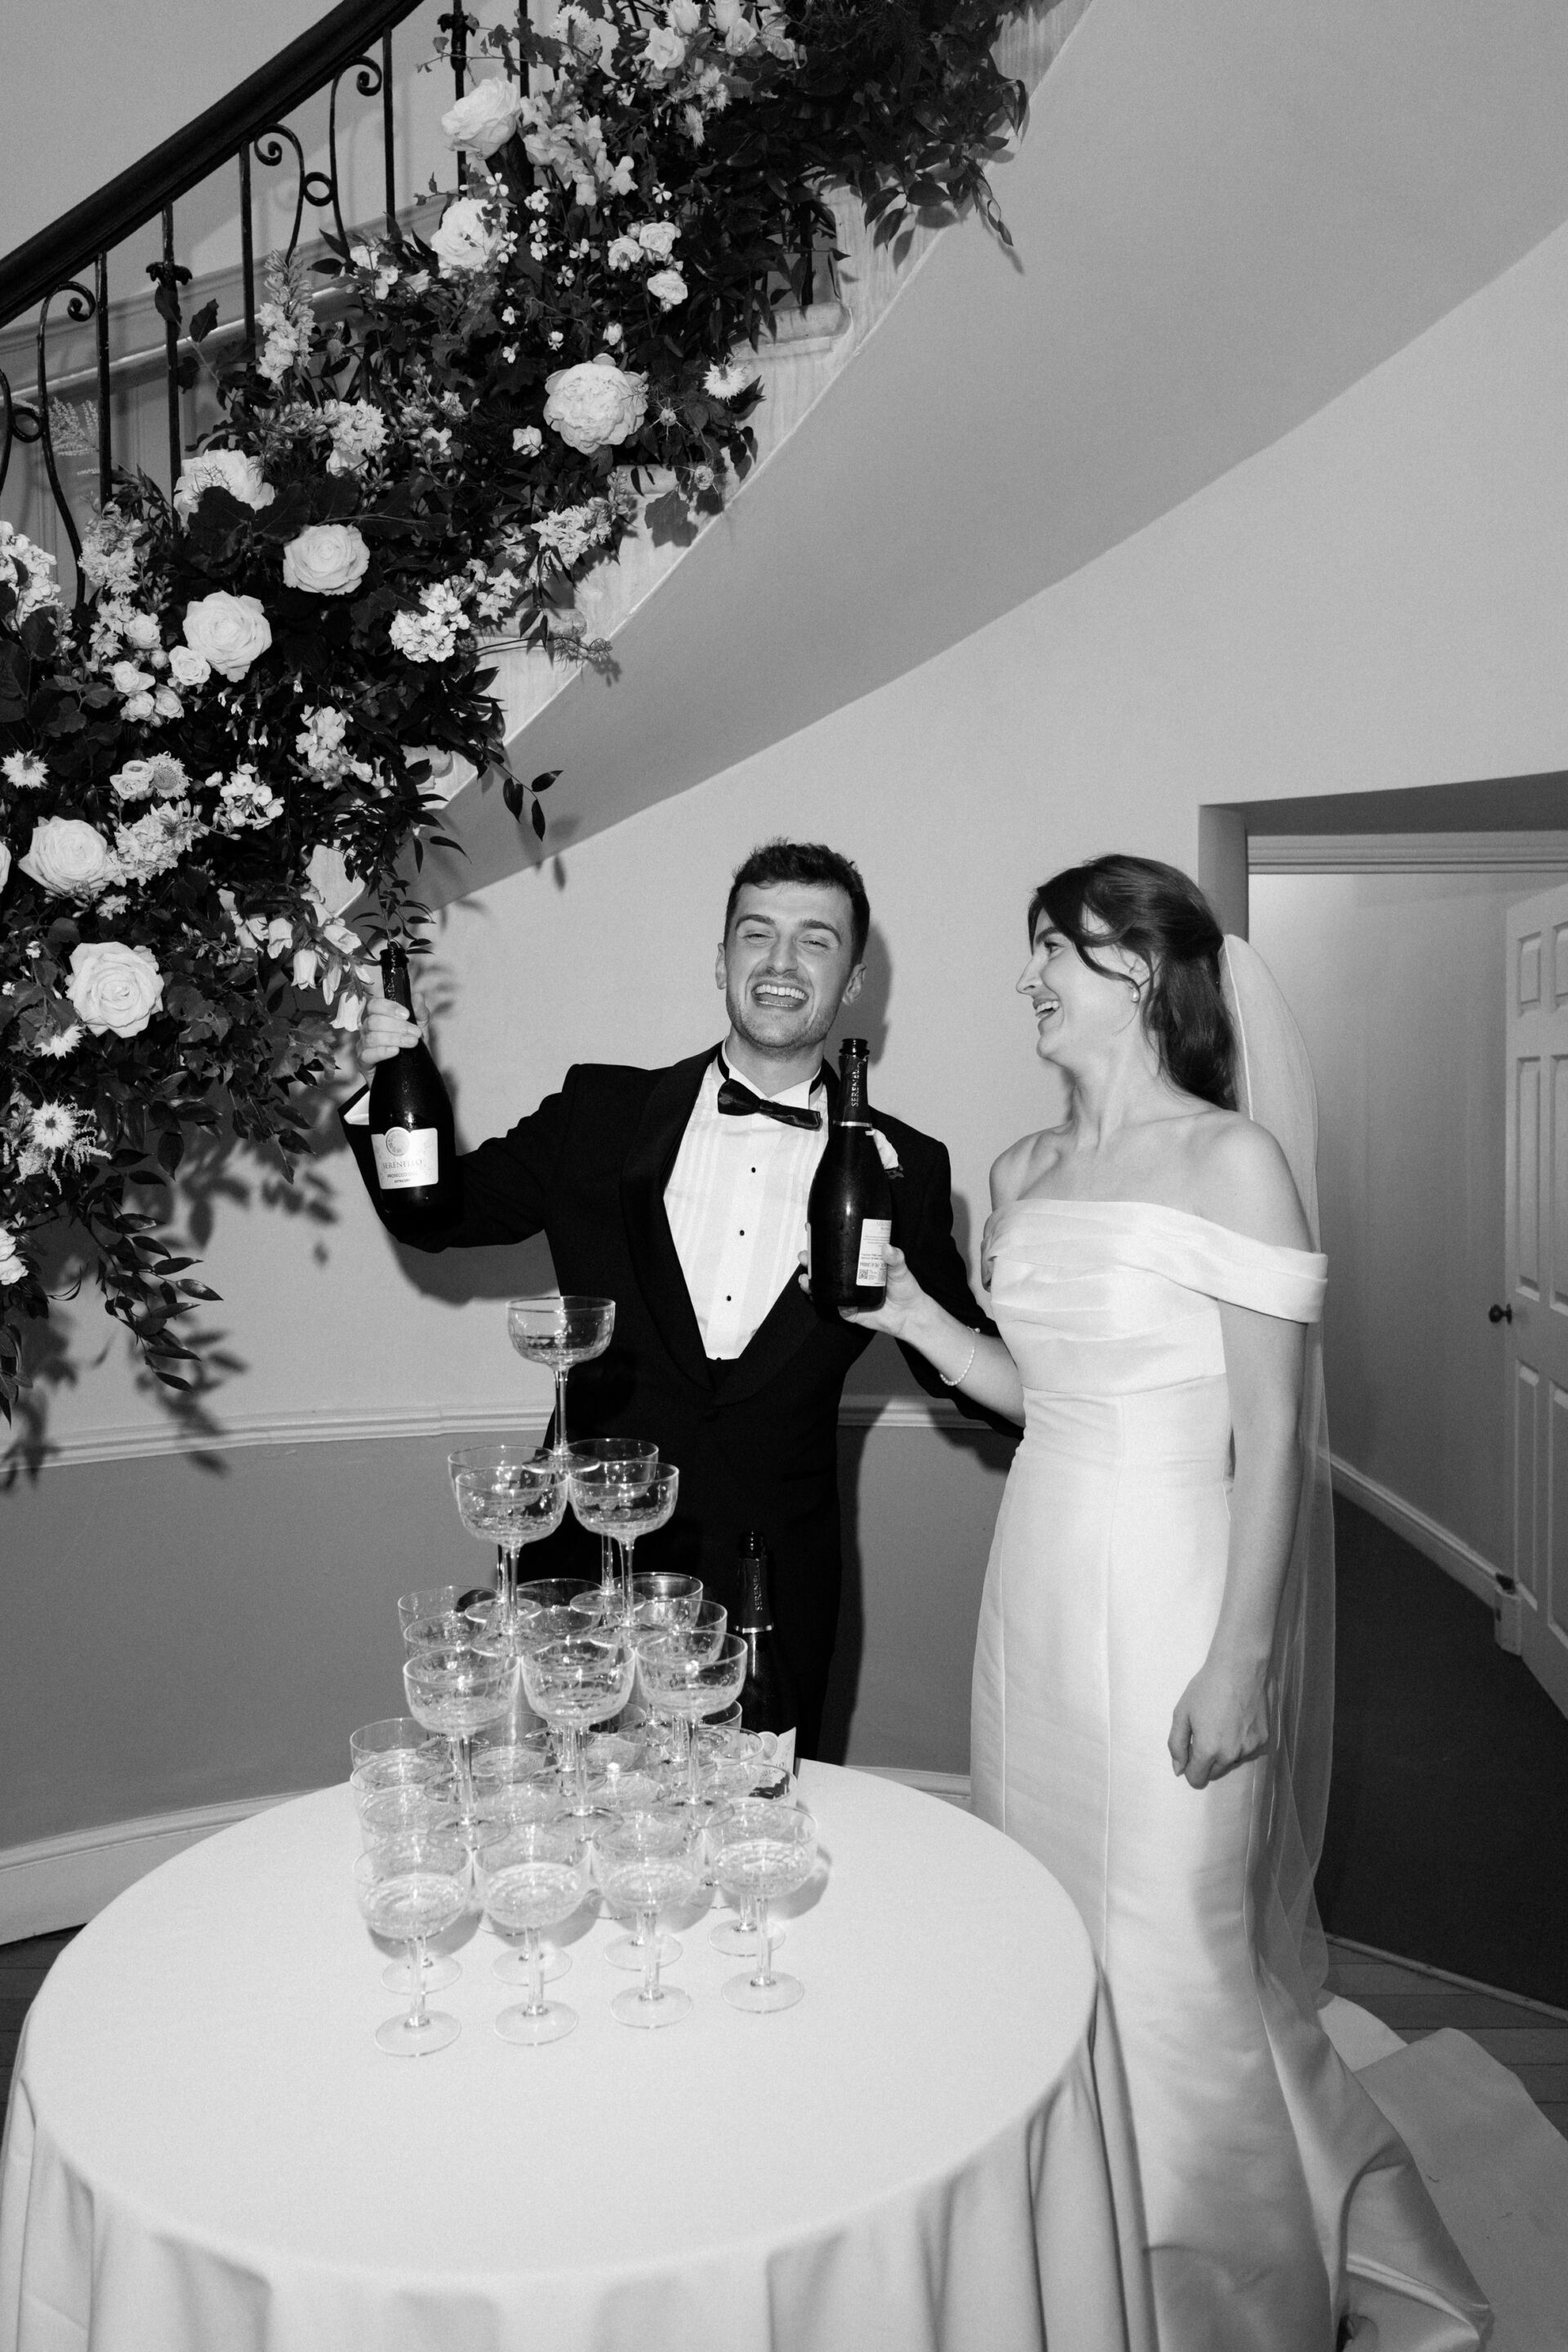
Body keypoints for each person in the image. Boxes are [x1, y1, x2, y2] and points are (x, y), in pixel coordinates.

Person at [832, 855, 1490, 2350]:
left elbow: (1271, 1440)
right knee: (1054, 1932)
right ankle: (1081, 2232)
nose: (1030, 983)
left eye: (1056, 950)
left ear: (1144, 971)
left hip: (1179, 1586)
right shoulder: (1018, 1173)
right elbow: (1033, 1394)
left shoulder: (1231, 1164)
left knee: (1177, 1946)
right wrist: (927, 1319)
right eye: (1032, 952)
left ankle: (1221, 2292)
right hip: (1039, 1593)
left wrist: (1242, 1656)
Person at [344, 838, 994, 1757]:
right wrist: (382, 1082)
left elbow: (961, 1362)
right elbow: (439, 1212)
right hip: (582, 1563)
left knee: (755, 1837)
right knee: (567, 1817)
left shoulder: (904, 1168)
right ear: (719, 959)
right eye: (755, 934)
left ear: (852, 981)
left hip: (772, 1581)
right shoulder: (598, 1114)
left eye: (815, 941)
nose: (778, 962)